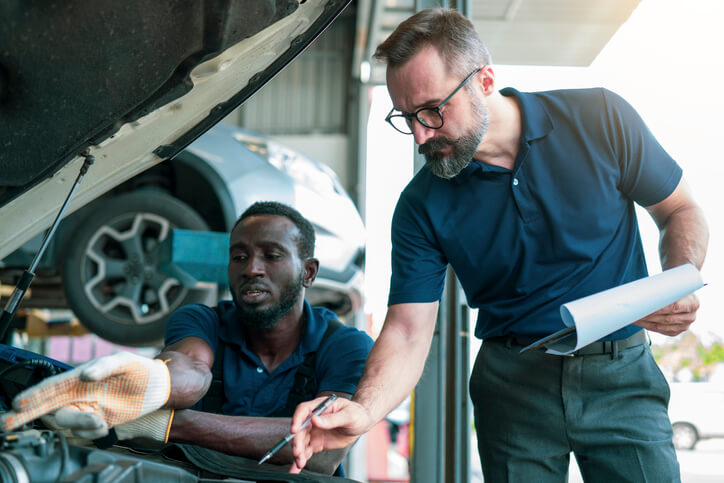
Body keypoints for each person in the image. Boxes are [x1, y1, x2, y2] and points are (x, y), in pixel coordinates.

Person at [290, 8, 709, 482]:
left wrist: (678, 280)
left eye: (432, 110)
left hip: (620, 373)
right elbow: (408, 329)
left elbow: (680, 211)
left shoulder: (600, 118)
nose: (420, 135)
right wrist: (363, 413)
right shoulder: (420, 204)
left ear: (484, 81)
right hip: (511, 386)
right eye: (405, 117)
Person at [2, 201, 373, 476]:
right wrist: (153, 381)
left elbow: (322, 449)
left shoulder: (344, 346)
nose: (251, 269)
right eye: (239, 256)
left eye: (272, 255)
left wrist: (160, 424)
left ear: (308, 272)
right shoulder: (201, 320)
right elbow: (190, 371)